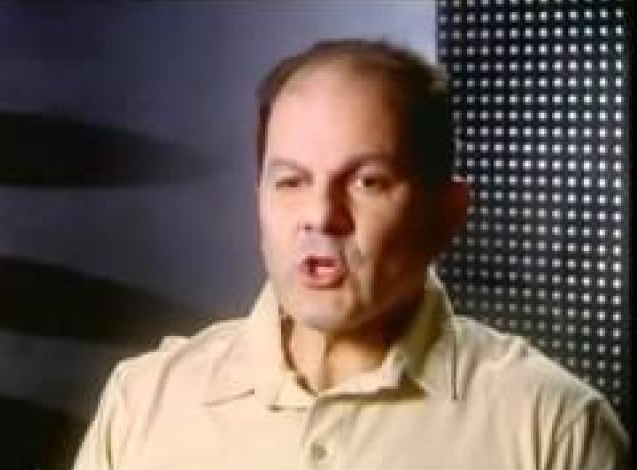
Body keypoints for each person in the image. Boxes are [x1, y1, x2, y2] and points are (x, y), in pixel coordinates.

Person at [72, 38, 628, 469]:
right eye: (291, 182)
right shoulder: (144, 400)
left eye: (367, 182)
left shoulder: (555, 429)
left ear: (446, 212)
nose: (320, 216)